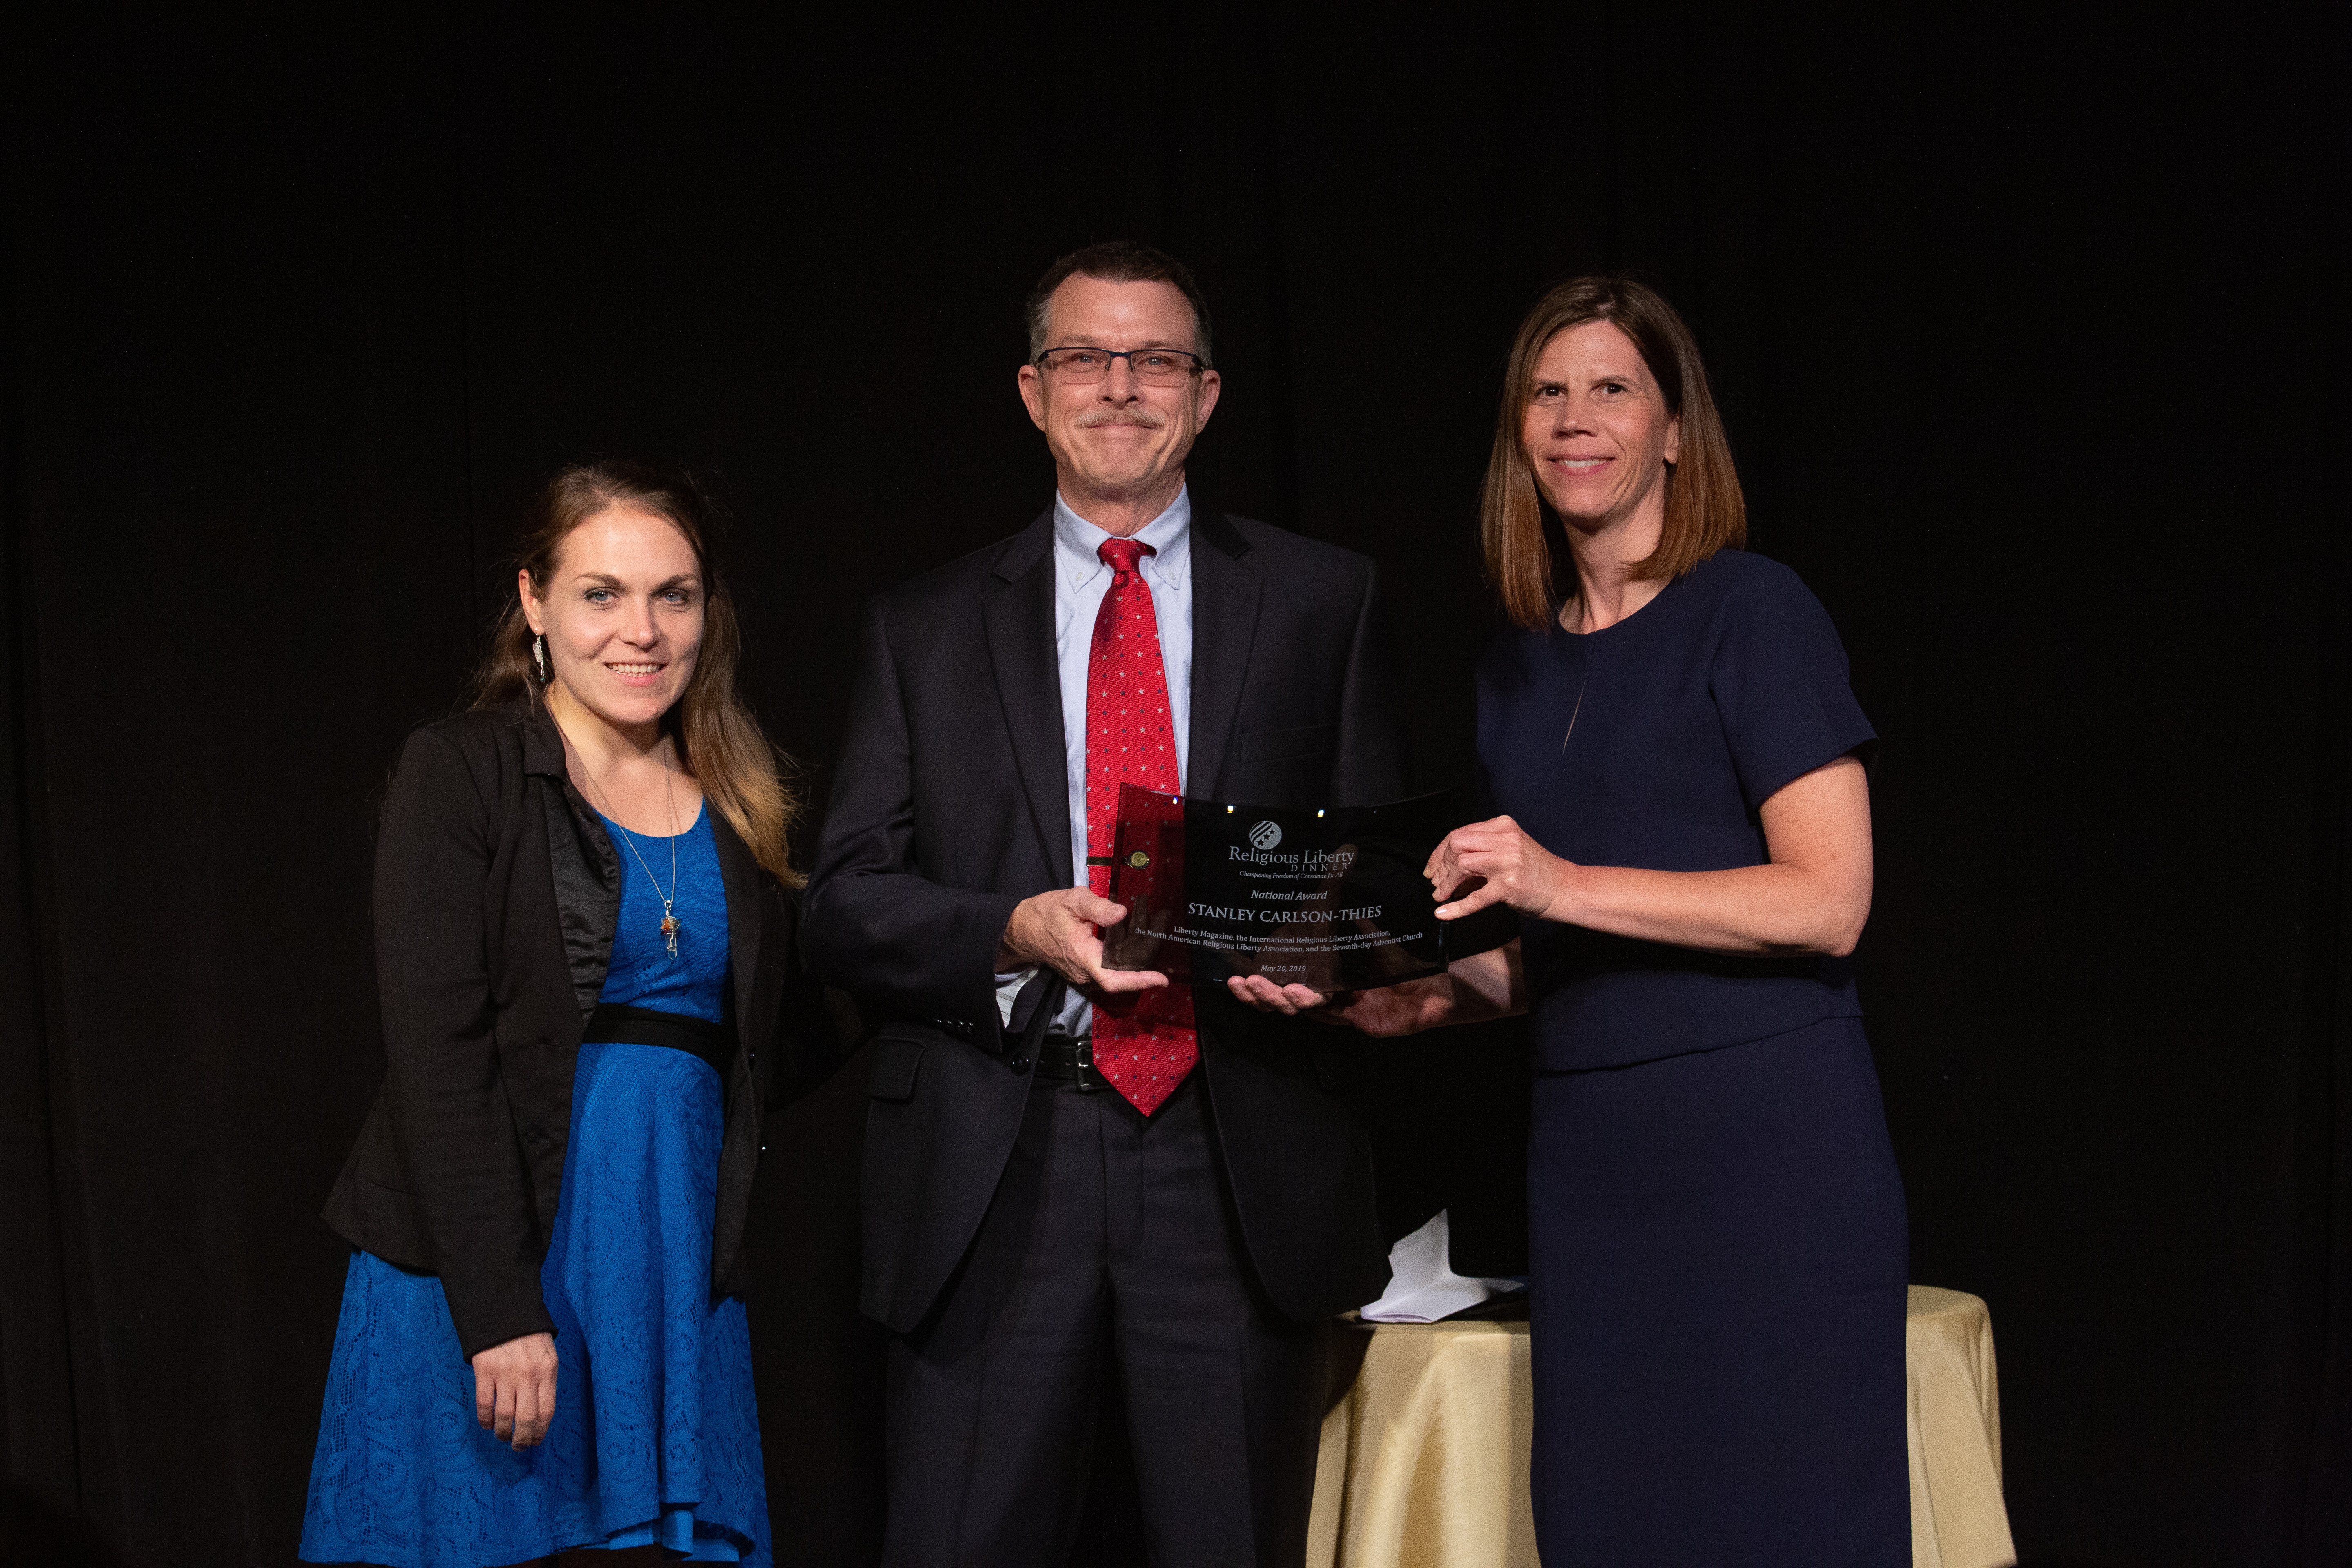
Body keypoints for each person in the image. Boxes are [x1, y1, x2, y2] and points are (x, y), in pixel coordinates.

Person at [1236, 276, 1910, 1564]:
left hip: (1770, 1160)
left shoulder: (1753, 608)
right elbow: (1556, 956)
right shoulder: (1517, 668)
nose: (1573, 418)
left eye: (1612, 388)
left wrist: (1555, 883)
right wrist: (1411, 997)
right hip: (1595, 1167)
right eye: (1546, 392)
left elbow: (1830, 902)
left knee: (1784, 1520)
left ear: (1675, 429)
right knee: (1611, 1523)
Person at [800, 240, 1411, 1567]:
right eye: (1086, 357)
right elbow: (843, 902)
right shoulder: (924, 625)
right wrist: (1007, 930)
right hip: (996, 1153)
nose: (1120, 385)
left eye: (1157, 360)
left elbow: (1372, 868)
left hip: (1232, 1153)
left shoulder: (1323, 598)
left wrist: (1325, 953)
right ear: (1034, 391)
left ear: (1207, 395)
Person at [300, 463, 840, 1567]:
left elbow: (766, 1048)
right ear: (535, 602)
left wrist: (998, 960)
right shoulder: (463, 770)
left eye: (673, 595)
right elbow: (438, 1058)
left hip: (665, 1271)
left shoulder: (738, 801)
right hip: (492, 1266)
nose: (642, 631)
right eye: (602, 594)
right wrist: (498, 1309)